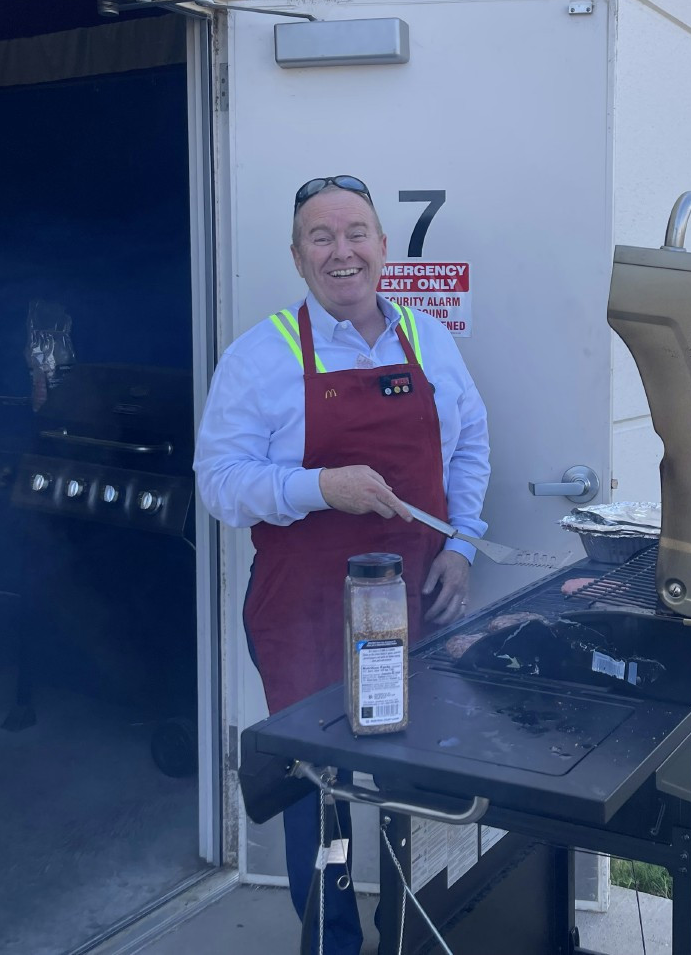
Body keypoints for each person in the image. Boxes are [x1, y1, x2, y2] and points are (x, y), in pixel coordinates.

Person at [194, 174, 489, 954]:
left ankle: (413, 935)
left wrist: (460, 545)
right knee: (317, 790)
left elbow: (471, 446)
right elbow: (218, 483)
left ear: (384, 247)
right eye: (320, 237)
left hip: (419, 605)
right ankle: (332, 942)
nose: (342, 251)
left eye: (356, 232)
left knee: (415, 780)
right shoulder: (262, 357)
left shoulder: (429, 340)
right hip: (304, 610)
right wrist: (319, 485)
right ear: (297, 256)